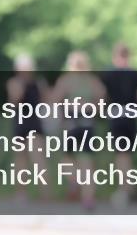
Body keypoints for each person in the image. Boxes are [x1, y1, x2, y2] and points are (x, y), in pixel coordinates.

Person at [51, 50, 106, 211]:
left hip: (72, 122)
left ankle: (74, 180)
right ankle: (88, 198)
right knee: (87, 162)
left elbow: (55, 99)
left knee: (66, 158)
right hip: (87, 122)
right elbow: (101, 99)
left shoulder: (66, 80)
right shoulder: (92, 81)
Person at [100, 42, 137, 209]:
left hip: (116, 115)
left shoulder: (108, 74)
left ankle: (124, 189)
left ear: (115, 56)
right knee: (127, 153)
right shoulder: (135, 74)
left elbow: (102, 95)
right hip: (131, 115)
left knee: (122, 154)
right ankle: (129, 187)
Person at [6, 54, 51, 201]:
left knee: (38, 158)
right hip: (20, 123)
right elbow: (14, 101)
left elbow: (46, 100)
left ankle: (45, 192)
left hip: (34, 122)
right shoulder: (15, 83)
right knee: (21, 159)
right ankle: (21, 192)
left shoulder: (38, 83)